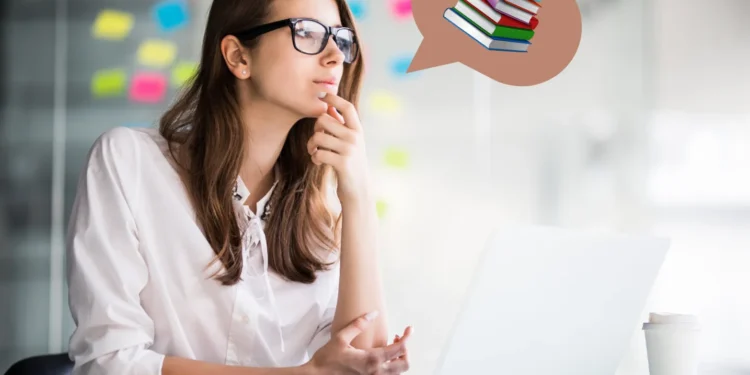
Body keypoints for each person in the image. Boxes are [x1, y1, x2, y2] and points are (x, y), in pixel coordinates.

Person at [65, 0, 413, 374]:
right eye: (307, 33)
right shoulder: (128, 163)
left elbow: (364, 364)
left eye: (340, 38)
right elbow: (108, 362)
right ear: (237, 56)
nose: (334, 56)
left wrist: (358, 196)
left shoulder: (322, 211)